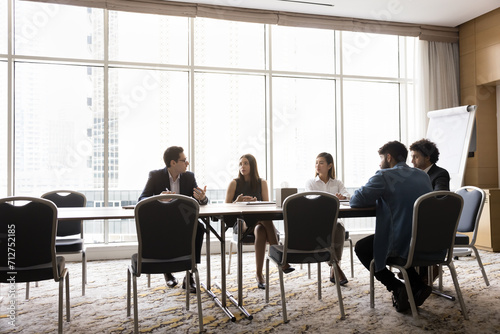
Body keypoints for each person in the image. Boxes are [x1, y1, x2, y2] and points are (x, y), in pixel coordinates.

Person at [351, 141, 433, 313]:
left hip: (402, 243)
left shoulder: (384, 176)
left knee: (362, 248)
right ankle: (417, 285)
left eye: (381, 158)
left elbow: (356, 200)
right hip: (424, 241)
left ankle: (396, 287)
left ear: (389, 157)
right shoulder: (423, 176)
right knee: (396, 239)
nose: (380, 163)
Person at [138, 146, 208, 293]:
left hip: (182, 222)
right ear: (173, 163)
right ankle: (167, 270)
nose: (187, 163)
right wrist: (159, 198)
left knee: (199, 228)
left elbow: (199, 200)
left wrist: (203, 198)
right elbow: (142, 199)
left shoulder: (189, 177)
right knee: (165, 230)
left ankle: (190, 273)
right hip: (162, 223)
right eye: (184, 160)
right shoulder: (155, 176)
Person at [225, 154, 294, 289]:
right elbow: (226, 208)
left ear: (252, 165)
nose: (242, 167)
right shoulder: (234, 183)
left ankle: (259, 275)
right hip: (241, 223)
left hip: (258, 221)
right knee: (265, 222)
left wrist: (257, 203)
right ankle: (281, 259)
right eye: (240, 164)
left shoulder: (262, 183)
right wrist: (237, 202)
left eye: (245, 163)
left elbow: (267, 206)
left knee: (261, 230)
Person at [305, 152, 350, 286]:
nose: (317, 166)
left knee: (339, 226)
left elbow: (348, 196)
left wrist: (343, 197)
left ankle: (334, 267)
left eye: (321, 163)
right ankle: (336, 267)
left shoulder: (337, 183)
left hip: (334, 222)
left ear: (330, 166)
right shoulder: (311, 183)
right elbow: (309, 200)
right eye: (316, 163)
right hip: (316, 223)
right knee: (333, 228)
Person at [410, 138, 451, 283]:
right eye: (411, 157)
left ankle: (429, 266)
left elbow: (439, 195)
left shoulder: (440, 173)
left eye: (415, 156)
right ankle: (412, 269)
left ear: (427, 157)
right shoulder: (414, 175)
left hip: (435, 222)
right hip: (420, 218)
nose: (412, 161)